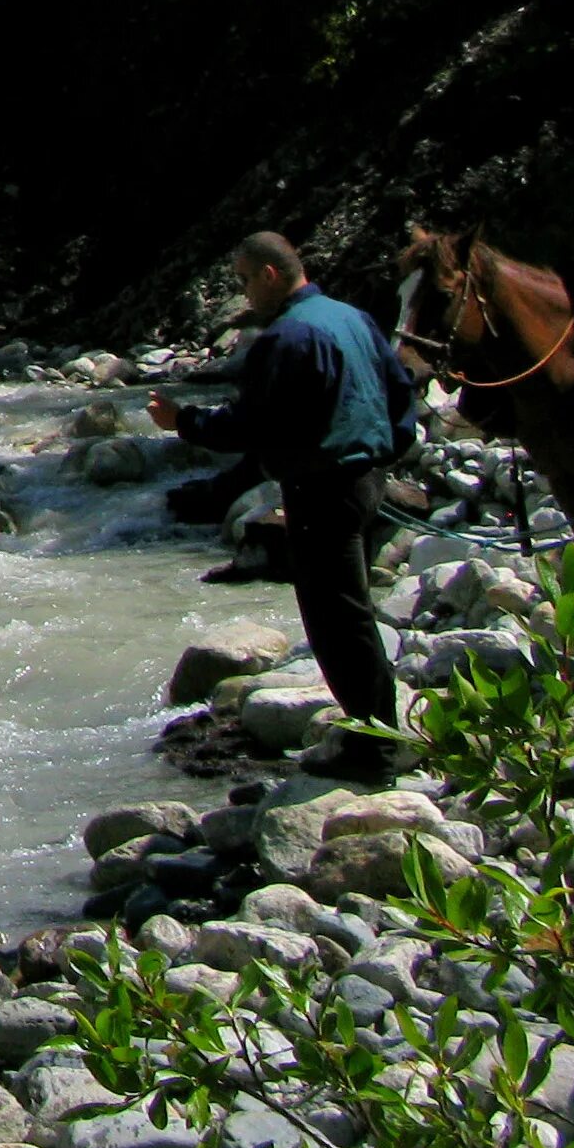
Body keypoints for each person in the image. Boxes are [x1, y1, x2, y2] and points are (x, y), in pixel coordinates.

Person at [149, 230, 416, 782]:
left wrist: (185, 422)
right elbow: (400, 394)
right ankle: (378, 733)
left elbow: (252, 424)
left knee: (337, 623)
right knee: (353, 612)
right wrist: (387, 448)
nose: (244, 294)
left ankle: (375, 750)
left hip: (322, 489)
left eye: (246, 281)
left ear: (270, 275)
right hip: (368, 481)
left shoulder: (286, 337)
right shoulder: (353, 317)